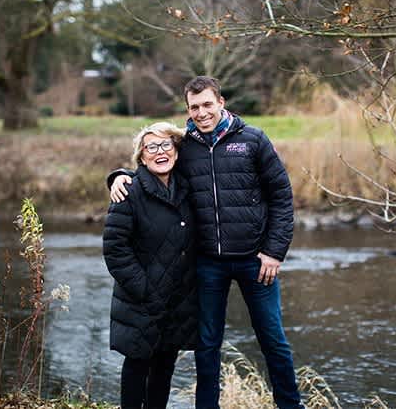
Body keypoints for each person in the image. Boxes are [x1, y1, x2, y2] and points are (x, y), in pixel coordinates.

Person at [108, 76, 305, 409]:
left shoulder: (253, 140)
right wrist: (116, 176)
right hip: (207, 264)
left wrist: (274, 251)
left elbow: (282, 197)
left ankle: (291, 405)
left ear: (221, 102)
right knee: (207, 346)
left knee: (273, 340)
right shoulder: (186, 146)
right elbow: (152, 159)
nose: (201, 113)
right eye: (194, 107)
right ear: (188, 109)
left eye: (207, 105)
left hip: (255, 261)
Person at [102, 122, 198, 409]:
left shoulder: (186, 188)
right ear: (141, 157)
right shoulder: (128, 192)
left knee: (165, 366)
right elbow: (115, 250)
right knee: (137, 365)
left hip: (177, 300)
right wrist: (144, 290)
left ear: (176, 151)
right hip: (141, 299)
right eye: (151, 147)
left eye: (166, 145)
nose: (160, 152)